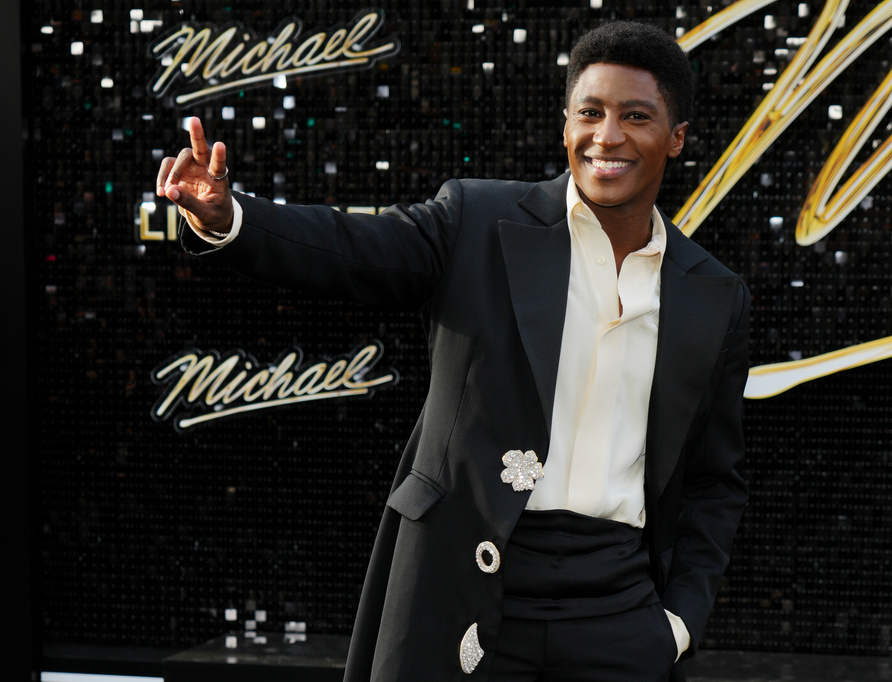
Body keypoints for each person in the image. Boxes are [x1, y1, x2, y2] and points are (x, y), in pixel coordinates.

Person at [157, 20, 749, 682]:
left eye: (635, 116)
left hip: (619, 609)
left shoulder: (712, 295)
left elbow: (713, 481)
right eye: (590, 113)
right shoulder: (476, 224)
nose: (607, 137)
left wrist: (676, 625)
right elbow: (349, 248)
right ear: (565, 127)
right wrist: (231, 218)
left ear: (676, 138)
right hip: (467, 585)